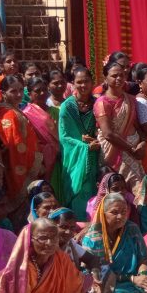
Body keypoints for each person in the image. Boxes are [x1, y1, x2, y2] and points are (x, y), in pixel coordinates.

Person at [0, 217, 88, 293]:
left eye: (54, 238)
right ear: (31, 239)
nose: (49, 243)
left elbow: (77, 288)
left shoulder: (61, 259)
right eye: (43, 238)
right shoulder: (22, 269)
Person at [81, 193, 147, 293]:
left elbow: (143, 259)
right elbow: (97, 271)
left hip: (134, 281)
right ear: (103, 213)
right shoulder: (93, 238)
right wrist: (132, 279)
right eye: (114, 212)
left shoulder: (132, 229)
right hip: (106, 282)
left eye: (124, 212)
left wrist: (143, 277)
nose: (120, 216)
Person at [96, 61, 146, 202]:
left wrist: (143, 143)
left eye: (122, 75)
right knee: (114, 191)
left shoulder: (130, 100)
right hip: (114, 151)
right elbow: (108, 134)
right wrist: (131, 149)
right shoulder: (102, 103)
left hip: (134, 152)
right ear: (105, 78)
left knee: (138, 192)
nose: (119, 78)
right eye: (114, 75)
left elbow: (139, 126)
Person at [0, 75, 43, 216]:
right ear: (3, 93)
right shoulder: (8, 114)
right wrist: (36, 163)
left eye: (20, 90)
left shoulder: (14, 110)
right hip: (18, 172)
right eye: (13, 91)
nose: (18, 95)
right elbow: (14, 147)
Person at [58, 68, 102, 216]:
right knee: (78, 199)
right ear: (73, 84)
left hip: (96, 159)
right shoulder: (68, 106)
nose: (83, 85)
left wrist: (98, 140)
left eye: (86, 81)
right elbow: (65, 137)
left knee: (96, 197)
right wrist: (86, 147)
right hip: (76, 161)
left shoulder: (98, 104)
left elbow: (105, 128)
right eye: (79, 82)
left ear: (92, 82)